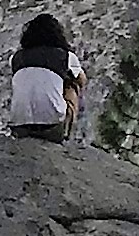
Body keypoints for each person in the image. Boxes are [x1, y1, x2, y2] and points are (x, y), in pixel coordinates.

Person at [9, 11, 85, 143]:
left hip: (19, 127)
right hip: (51, 128)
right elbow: (82, 80)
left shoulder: (16, 57)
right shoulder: (65, 56)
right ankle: (66, 133)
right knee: (72, 86)